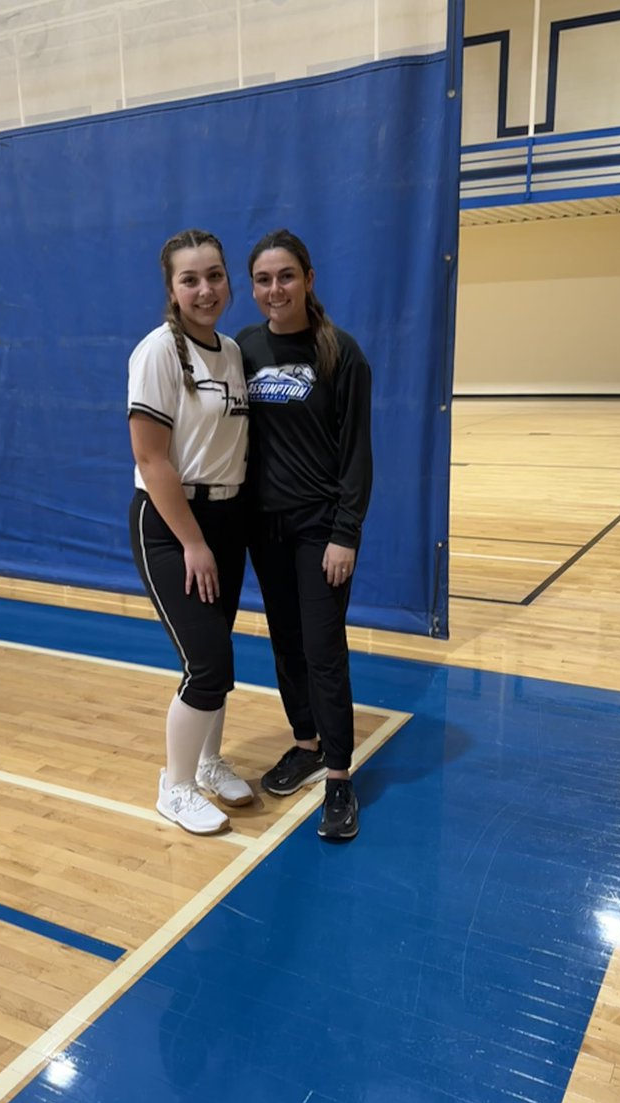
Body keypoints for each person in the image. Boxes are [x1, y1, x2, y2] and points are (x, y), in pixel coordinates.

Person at [236, 230, 373, 841]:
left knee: (323, 649)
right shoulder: (242, 348)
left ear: (309, 279)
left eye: (285, 276)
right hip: (265, 529)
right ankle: (307, 743)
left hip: (322, 529)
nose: (274, 289)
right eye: (263, 280)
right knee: (287, 644)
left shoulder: (340, 353)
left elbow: (357, 455)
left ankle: (340, 777)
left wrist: (347, 532)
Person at [127, 229, 252, 835]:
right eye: (190, 279)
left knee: (220, 654)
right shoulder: (158, 352)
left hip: (226, 520)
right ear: (172, 290)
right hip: (173, 524)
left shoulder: (231, 350)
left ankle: (206, 764)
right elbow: (153, 460)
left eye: (215, 276)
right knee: (205, 663)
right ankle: (174, 786)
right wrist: (194, 542)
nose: (206, 290)